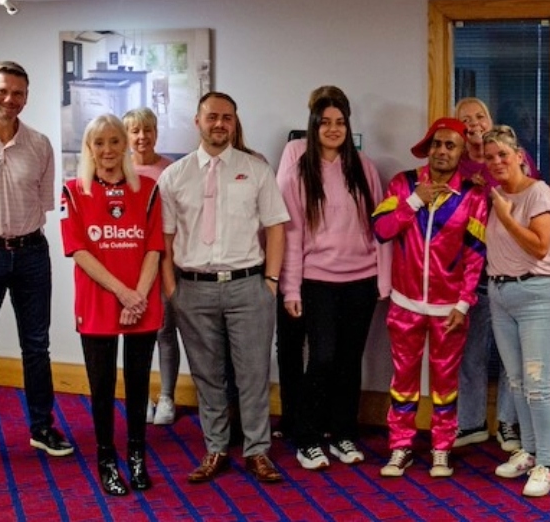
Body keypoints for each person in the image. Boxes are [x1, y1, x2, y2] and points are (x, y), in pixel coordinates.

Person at [158, 92, 289, 484]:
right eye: (212, 117)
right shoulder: (174, 176)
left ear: (235, 123)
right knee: (207, 375)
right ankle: (215, 448)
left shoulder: (256, 169)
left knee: (252, 374)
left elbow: (276, 227)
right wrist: (171, 291)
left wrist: (272, 281)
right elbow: (163, 240)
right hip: (192, 289)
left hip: (249, 286)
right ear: (197, 121)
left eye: (227, 118)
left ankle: (257, 452)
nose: (220, 124)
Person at [278, 88, 390, 470]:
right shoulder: (299, 167)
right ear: (313, 125)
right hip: (316, 281)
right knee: (322, 358)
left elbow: (380, 228)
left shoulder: (364, 167)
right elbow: (290, 232)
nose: (333, 129)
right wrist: (290, 287)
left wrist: (382, 279)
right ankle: (307, 437)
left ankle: (343, 434)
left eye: (340, 122)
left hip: (361, 280)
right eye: (325, 122)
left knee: (349, 361)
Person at [372, 117, 487, 478]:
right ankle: (400, 446)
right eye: (437, 143)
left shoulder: (472, 195)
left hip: (448, 308)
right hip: (405, 303)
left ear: (462, 152)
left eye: (450, 145)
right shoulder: (403, 183)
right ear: (428, 146)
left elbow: (475, 255)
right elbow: (381, 230)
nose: (442, 151)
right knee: (403, 381)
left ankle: (441, 448)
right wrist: (413, 202)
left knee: (444, 383)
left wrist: (464, 302)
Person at [60, 114, 164, 496]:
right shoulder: (73, 191)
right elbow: (79, 251)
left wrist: (137, 296)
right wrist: (124, 293)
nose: (107, 150)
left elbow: (154, 247)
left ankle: (137, 455)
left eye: (114, 141)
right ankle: (106, 459)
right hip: (100, 301)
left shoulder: (149, 189)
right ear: (89, 148)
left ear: (125, 145)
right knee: (102, 387)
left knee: (138, 386)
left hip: (142, 299)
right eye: (99, 142)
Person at [0, 60, 73, 469]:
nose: (9, 99)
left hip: (32, 253)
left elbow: (44, 204)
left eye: (18, 93)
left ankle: (42, 428)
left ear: (26, 96)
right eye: (2, 91)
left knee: (37, 347)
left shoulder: (40, 144)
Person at [483, 125, 550, 497]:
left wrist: (505, 214)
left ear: (519, 156)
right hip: (501, 294)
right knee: (514, 381)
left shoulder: (538, 193)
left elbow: (540, 247)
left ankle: (546, 464)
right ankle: (528, 452)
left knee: (536, 384)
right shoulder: (496, 195)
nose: (497, 162)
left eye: (503, 154)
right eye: (490, 157)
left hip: (536, 294)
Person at [453, 96, 529, 452]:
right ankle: (470, 423)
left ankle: (508, 424)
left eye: (480, 116)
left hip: (510, 270)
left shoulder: (514, 158)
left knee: (512, 356)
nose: (474, 124)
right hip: (469, 274)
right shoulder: (454, 164)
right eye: (465, 118)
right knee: (470, 355)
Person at [123, 107, 179, 427]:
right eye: (135, 131)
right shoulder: (118, 169)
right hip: (129, 266)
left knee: (164, 331)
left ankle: (168, 395)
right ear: (127, 135)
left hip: (162, 263)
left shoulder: (169, 170)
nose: (142, 137)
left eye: (148, 130)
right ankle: (140, 395)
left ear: (156, 133)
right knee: (135, 334)